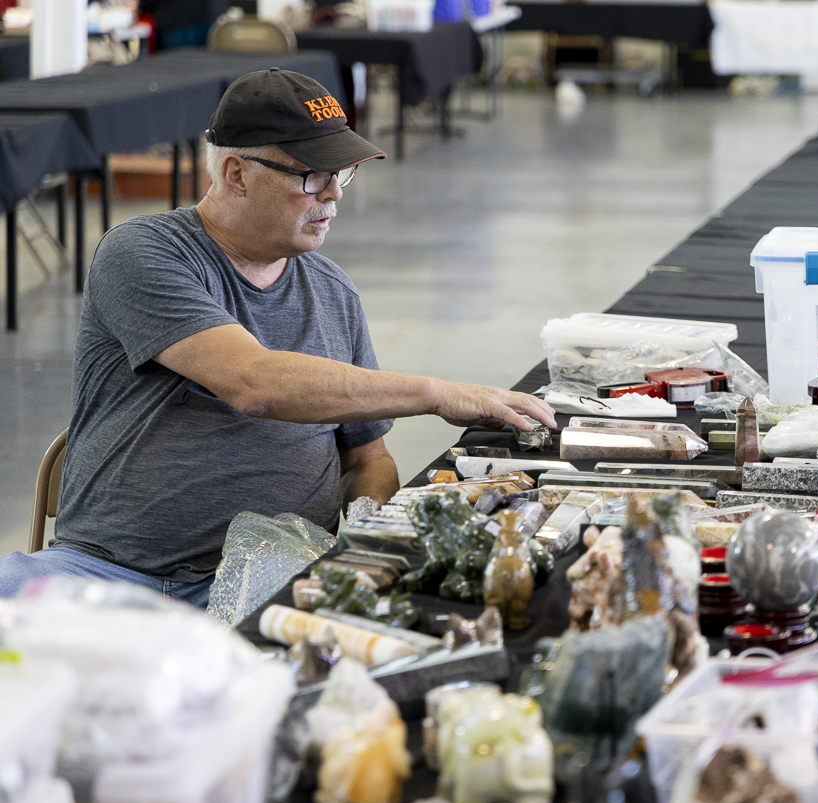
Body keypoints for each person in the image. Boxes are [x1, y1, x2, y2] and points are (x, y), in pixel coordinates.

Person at [0, 69, 556, 608]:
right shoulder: (144, 253)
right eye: (312, 174)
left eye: (343, 173)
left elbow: (367, 457)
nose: (334, 194)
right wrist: (438, 393)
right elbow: (254, 381)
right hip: (112, 574)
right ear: (238, 174)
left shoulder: (333, 292)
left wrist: (364, 533)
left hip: (278, 572)